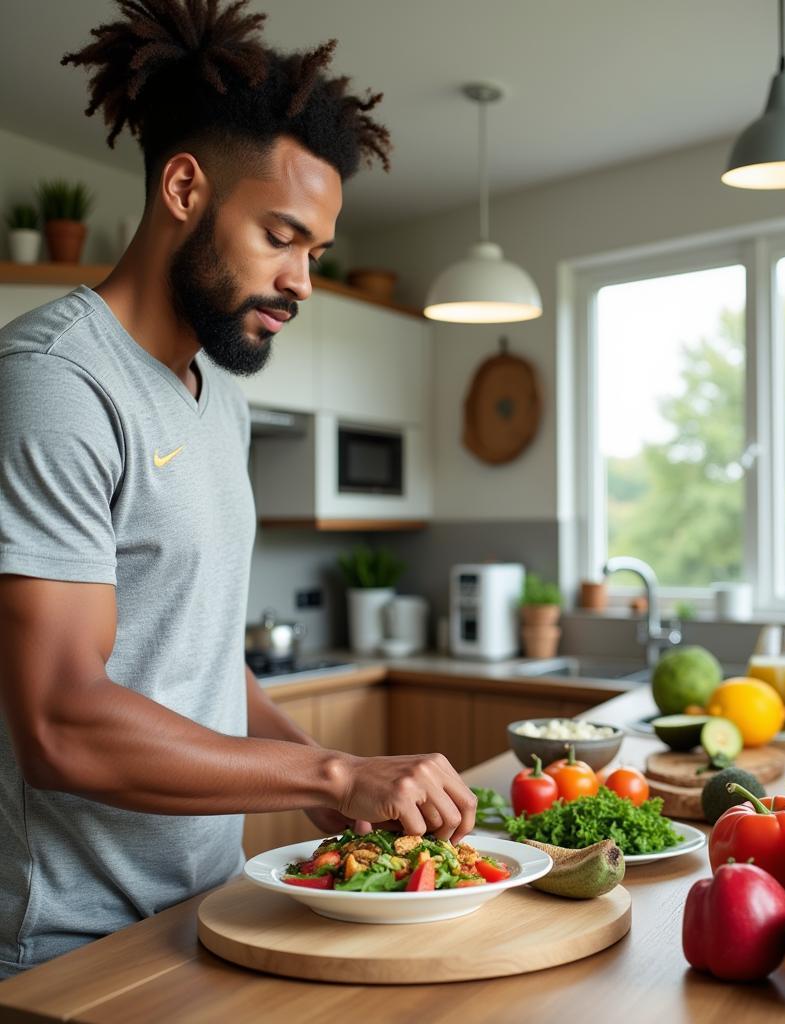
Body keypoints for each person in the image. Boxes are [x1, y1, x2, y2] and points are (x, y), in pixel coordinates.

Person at [0, 0, 475, 978]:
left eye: (318, 252)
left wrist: (327, 793)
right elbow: (58, 719)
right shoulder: (54, 382)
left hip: (209, 910)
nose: (302, 280)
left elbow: (205, 661)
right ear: (184, 187)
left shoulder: (221, 401)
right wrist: (336, 766)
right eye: (281, 235)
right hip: (66, 954)